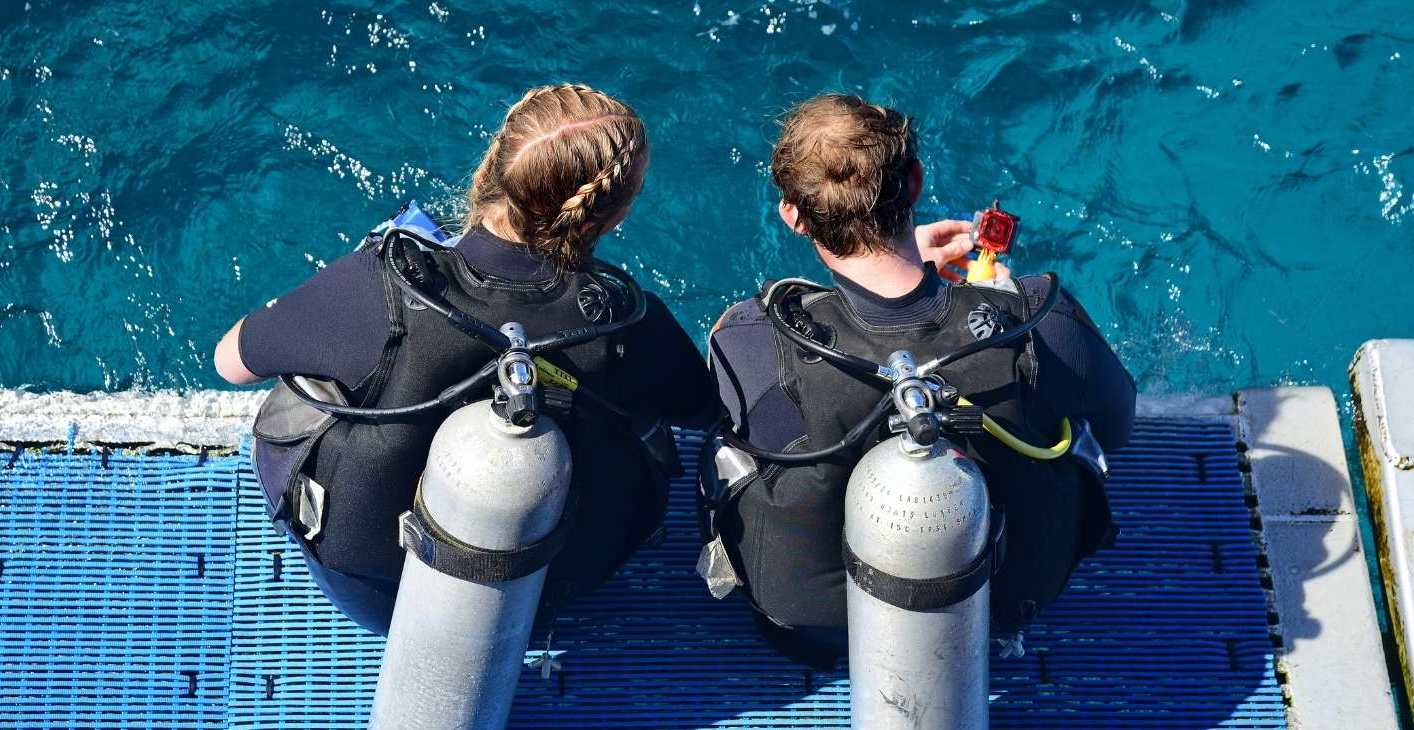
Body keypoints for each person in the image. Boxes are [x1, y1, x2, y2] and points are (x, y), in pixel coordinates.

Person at [214, 84, 720, 635]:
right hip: (552, 586)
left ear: (494, 165)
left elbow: (230, 363)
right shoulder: (625, 320)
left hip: (375, 591)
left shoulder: (383, 288)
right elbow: (703, 409)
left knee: (308, 384)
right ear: (605, 219)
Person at [702, 94, 1136, 665]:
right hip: (1003, 602)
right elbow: (1118, 420)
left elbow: (710, 393)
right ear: (915, 180)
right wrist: (990, 302)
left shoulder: (753, 337)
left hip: (814, 630)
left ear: (793, 215)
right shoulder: (1037, 322)